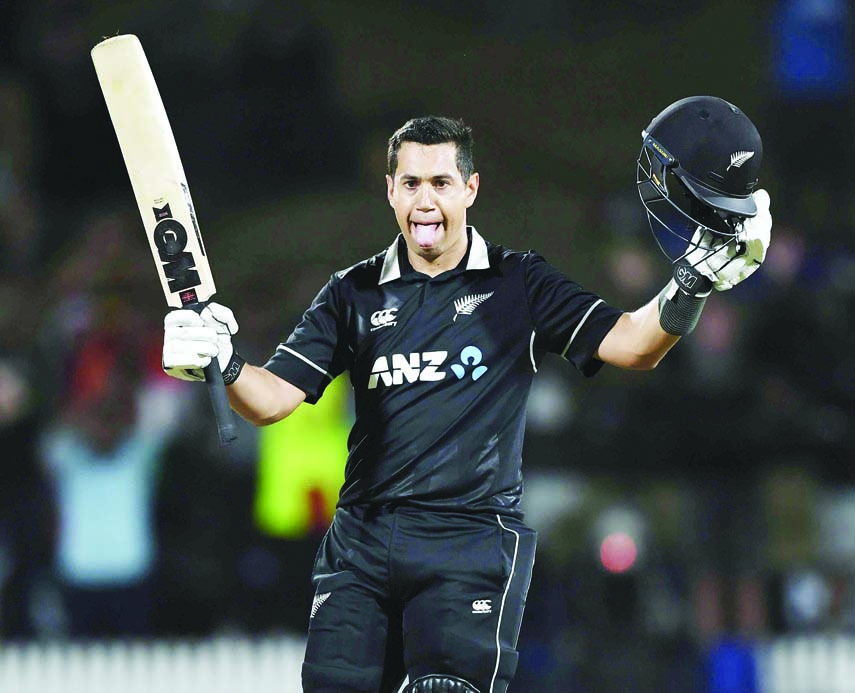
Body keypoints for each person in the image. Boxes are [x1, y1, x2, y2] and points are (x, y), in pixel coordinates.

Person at [161, 100, 772, 693]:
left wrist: (692, 282)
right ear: (391, 191)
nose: (425, 201)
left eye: (441, 182)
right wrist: (225, 361)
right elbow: (272, 400)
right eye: (411, 183)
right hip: (362, 544)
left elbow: (635, 345)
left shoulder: (520, 284)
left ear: (470, 189)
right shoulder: (351, 293)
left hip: (471, 543)